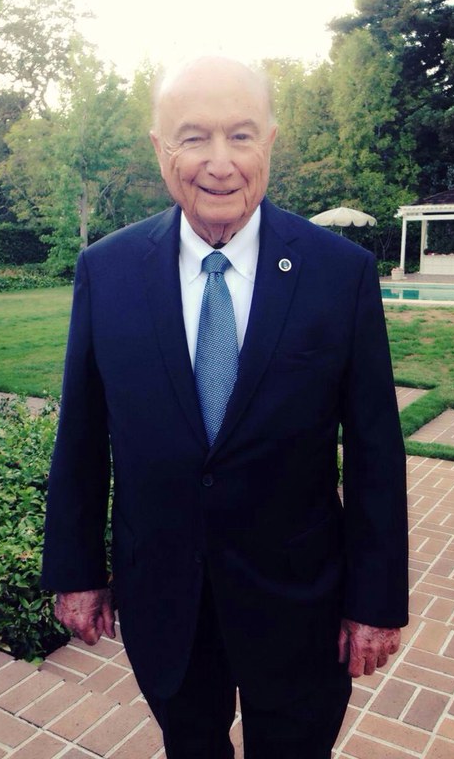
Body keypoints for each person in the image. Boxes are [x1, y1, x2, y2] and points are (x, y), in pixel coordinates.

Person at [41, 56, 409, 759]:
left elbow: (375, 452)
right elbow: (81, 436)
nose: (219, 163)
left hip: (300, 603)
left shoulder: (340, 274)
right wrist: (76, 571)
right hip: (164, 599)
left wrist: (376, 602)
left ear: (270, 140)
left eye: (241, 136)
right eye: (194, 137)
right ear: (160, 148)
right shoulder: (106, 272)